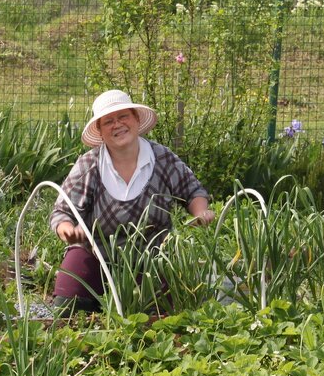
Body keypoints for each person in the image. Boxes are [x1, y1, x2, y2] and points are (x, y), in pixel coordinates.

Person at [49, 89, 215, 313]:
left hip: (150, 259)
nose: (117, 125)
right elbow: (62, 212)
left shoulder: (162, 158)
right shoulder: (89, 164)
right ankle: (82, 325)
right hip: (98, 256)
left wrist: (201, 213)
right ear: (100, 130)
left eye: (123, 117)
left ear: (136, 119)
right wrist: (68, 229)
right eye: (108, 121)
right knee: (69, 296)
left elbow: (193, 191)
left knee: (161, 315)